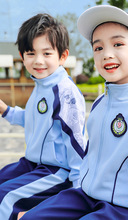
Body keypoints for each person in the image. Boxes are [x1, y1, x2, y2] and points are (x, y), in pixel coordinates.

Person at [19, 5, 128, 220]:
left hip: (124, 209)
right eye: (98, 48)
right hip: (86, 196)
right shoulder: (101, 101)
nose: (107, 54)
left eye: (118, 44)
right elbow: (91, 154)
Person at [0, 13, 86, 219]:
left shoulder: (65, 92)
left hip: (57, 171)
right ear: (22, 56)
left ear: (63, 56)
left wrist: (79, 190)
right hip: (31, 164)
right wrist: (6, 110)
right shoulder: (42, 85)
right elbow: (32, 118)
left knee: (5, 197)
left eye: (47, 53)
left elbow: (77, 141)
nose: (38, 61)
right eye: (31, 53)